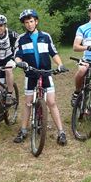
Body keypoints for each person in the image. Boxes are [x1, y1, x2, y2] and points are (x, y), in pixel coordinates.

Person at [13, 9, 68, 145]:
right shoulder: (21, 38)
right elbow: (17, 55)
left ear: (36, 22)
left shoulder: (45, 36)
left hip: (45, 73)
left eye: (31, 21)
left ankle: (61, 132)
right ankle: (23, 130)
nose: (29, 24)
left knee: (51, 102)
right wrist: (20, 63)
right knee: (28, 103)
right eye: (26, 22)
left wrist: (60, 65)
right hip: (30, 74)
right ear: (24, 24)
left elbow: (53, 52)